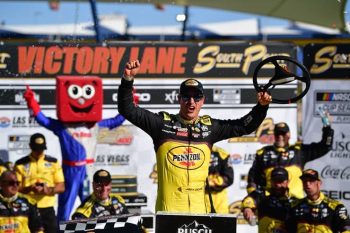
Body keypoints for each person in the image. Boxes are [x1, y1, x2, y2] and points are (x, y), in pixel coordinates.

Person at [117, 60, 271, 213]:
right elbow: (128, 109)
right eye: (186, 97)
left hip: (199, 213)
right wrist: (127, 80)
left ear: (202, 101)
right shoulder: (162, 125)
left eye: (196, 97)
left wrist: (261, 107)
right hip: (169, 214)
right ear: (179, 99)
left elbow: (243, 126)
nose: (191, 102)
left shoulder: (209, 128)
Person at [24, 78, 129, 221]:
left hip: (88, 171)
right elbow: (42, 119)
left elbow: (117, 120)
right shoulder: (62, 126)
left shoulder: (96, 125)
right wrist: (31, 101)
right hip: (69, 172)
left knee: (94, 205)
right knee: (65, 208)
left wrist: (130, 101)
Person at [247, 121, 334, 198]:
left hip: (294, 203)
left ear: (289, 135)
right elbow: (253, 178)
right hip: (271, 203)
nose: (280, 137)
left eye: (283, 134)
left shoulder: (299, 151)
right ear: (274, 135)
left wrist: (327, 127)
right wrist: (253, 198)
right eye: (277, 134)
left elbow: (325, 147)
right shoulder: (263, 153)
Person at [14, 133, 65, 233]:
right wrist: (30, 188)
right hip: (27, 207)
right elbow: (15, 187)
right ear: (30, 147)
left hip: (47, 208)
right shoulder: (20, 163)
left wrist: (48, 190)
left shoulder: (53, 162)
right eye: (36, 149)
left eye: (41, 149)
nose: (39, 152)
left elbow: (61, 186)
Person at [242, 167, 298, 233]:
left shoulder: (294, 201)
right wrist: (247, 209)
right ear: (270, 181)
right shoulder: (263, 195)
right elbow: (249, 199)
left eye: (280, 181)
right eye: (275, 181)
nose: (277, 185)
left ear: (287, 182)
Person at [205, 145, 233, 214]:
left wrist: (208, 183)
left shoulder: (222, 154)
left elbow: (228, 178)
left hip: (218, 200)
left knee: (220, 224)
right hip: (197, 200)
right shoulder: (192, 152)